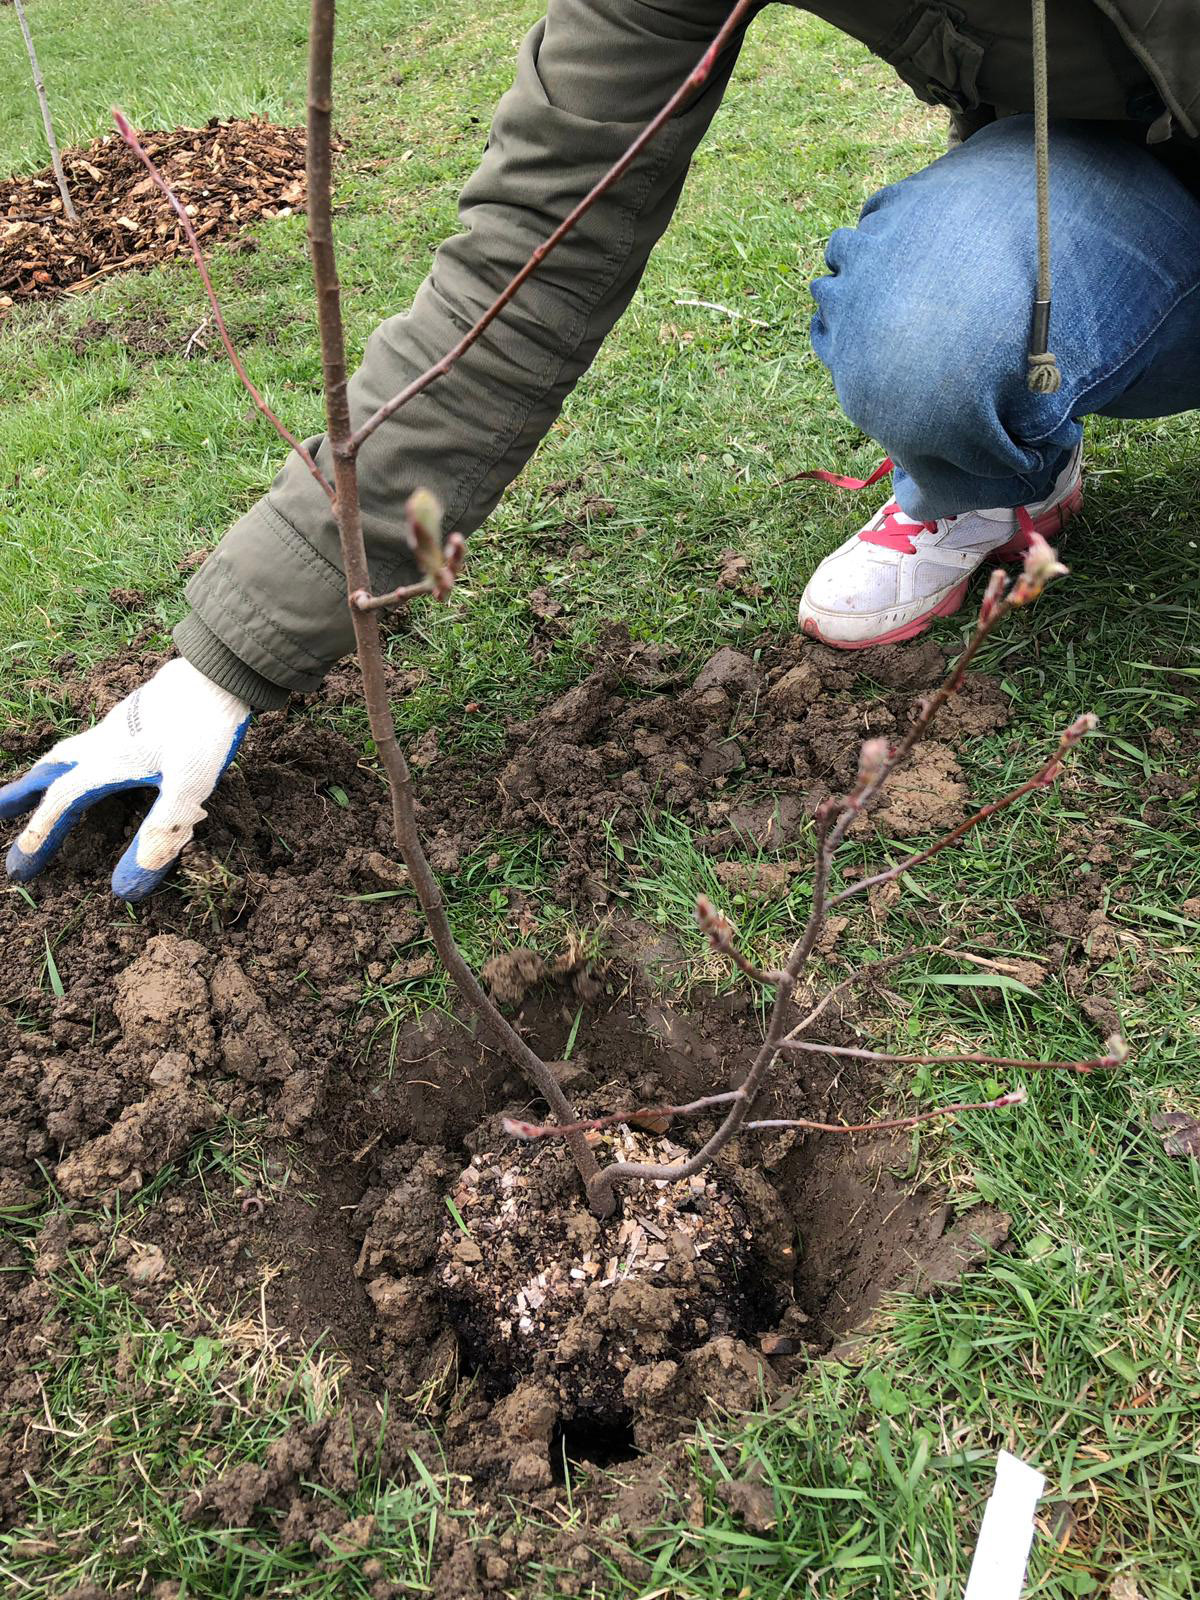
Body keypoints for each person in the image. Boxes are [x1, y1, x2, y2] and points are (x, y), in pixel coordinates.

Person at [3, 0, 1200, 898]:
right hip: (1115, 191)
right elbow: (533, 251)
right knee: (934, 329)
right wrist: (224, 664)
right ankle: (999, 479)